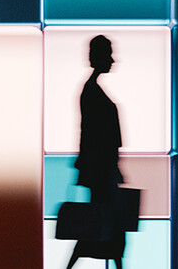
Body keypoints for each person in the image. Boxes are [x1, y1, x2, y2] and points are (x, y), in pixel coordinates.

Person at [66, 35, 125, 269]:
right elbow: (95, 136)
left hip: (100, 170)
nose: (112, 60)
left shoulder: (90, 90)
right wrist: (112, 168)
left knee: (99, 226)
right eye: (108, 54)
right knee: (104, 225)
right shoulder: (92, 92)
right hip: (102, 171)